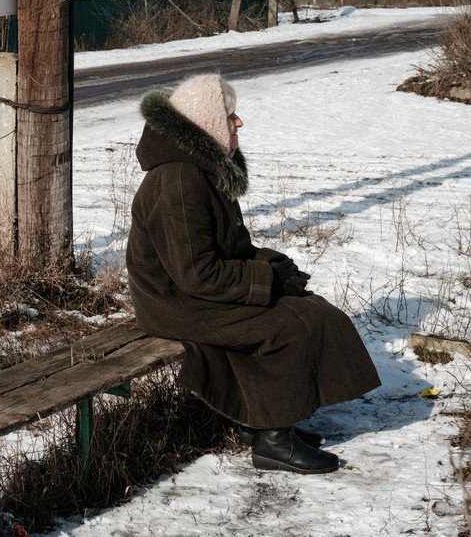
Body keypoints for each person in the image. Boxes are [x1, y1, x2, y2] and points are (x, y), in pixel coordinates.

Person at [126, 74, 380, 475]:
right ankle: (273, 441)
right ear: (206, 123)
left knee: (311, 308)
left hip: (196, 293)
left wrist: (275, 267)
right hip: (176, 302)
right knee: (289, 325)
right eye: (230, 116)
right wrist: (266, 283)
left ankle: (261, 423)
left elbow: (232, 250)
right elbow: (197, 274)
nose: (238, 123)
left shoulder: (202, 172)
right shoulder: (177, 180)